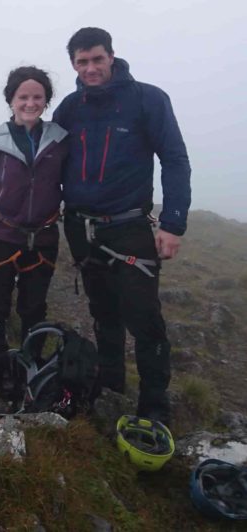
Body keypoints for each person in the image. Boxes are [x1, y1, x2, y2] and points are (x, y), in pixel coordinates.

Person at [53, 27, 191, 425]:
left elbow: (175, 159)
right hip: (81, 228)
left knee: (144, 319)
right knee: (104, 314)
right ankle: (112, 391)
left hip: (129, 227)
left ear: (112, 56)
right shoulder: (68, 108)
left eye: (97, 59)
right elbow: (50, 160)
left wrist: (173, 223)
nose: (91, 68)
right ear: (74, 65)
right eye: (82, 62)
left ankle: (154, 410)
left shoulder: (148, 99)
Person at [0, 66, 69, 396]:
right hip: (0, 236)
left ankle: (30, 365)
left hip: (43, 238)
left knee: (34, 307)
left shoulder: (59, 141)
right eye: (23, 96)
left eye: (37, 97)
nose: (30, 102)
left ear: (46, 101)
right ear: (11, 99)